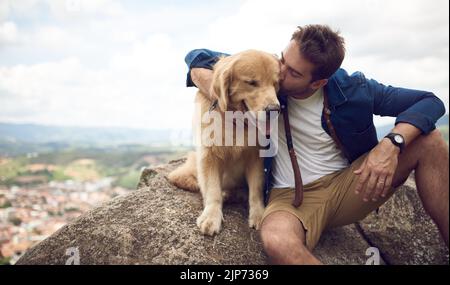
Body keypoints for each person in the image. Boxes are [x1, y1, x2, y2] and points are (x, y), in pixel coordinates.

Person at [184, 24, 448, 264]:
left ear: (319, 82)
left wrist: (390, 144)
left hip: (350, 182)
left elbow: (431, 102)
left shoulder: (353, 88)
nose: (280, 73)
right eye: (283, 60)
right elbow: (198, 58)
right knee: (277, 240)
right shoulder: (268, 76)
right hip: (289, 197)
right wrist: (215, 92)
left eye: (294, 72)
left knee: (430, 140)